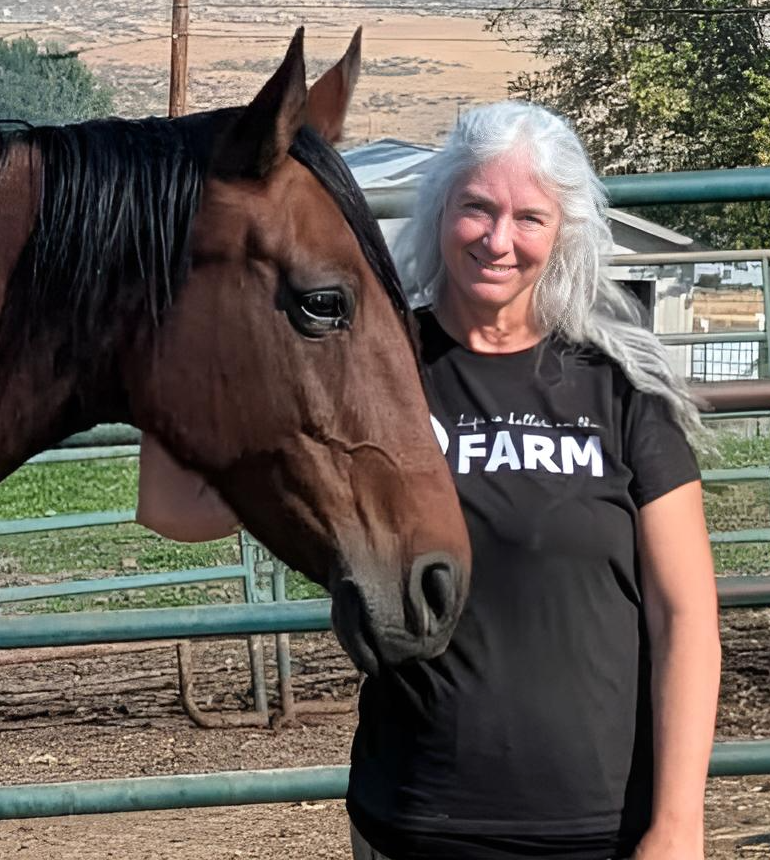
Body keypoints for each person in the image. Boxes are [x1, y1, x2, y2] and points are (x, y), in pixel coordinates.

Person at [137, 100, 721, 860]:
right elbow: (176, 508)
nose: (498, 239)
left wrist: (678, 824)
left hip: (602, 829)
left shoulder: (618, 391)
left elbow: (685, 615)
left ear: (565, 232)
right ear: (440, 208)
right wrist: (165, 327)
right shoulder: (374, 369)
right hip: (415, 821)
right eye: (476, 208)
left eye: (529, 218)